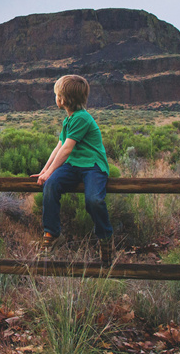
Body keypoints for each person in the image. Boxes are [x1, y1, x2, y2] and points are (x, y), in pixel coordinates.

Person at [31, 74, 114, 264]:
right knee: (51, 186)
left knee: (94, 200)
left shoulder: (82, 118)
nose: (56, 98)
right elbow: (59, 146)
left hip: (93, 166)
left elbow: (67, 149)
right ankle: (51, 234)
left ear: (63, 99)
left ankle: (105, 238)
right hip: (73, 166)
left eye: (57, 94)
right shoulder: (68, 120)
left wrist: (50, 171)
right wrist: (45, 172)